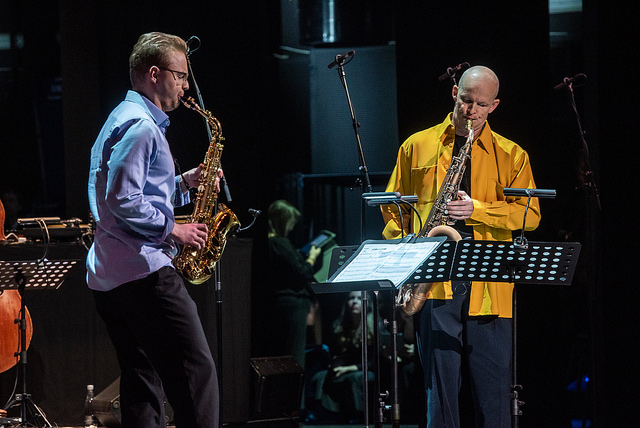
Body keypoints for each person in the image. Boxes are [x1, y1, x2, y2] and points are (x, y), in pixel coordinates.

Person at [381, 65, 541, 427]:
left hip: (490, 282)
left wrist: (477, 210)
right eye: (466, 100)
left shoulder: (512, 153)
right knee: (439, 394)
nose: (472, 111)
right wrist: (408, 248)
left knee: (495, 396)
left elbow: (530, 215)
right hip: (435, 277)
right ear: (454, 93)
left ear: (494, 105)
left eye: (481, 105)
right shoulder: (416, 145)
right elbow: (392, 210)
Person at [86, 32, 219, 428]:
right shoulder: (142, 127)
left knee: (142, 380)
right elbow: (122, 199)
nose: (186, 86)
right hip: (142, 270)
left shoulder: (120, 117)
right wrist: (174, 231)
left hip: (111, 273)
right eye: (181, 75)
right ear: (155, 74)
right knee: (196, 373)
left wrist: (185, 183)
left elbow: (133, 192)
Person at [264, 199, 321, 368]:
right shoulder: (279, 243)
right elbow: (302, 271)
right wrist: (312, 258)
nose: (291, 228)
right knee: (295, 357)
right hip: (292, 306)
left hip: (284, 304)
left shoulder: (272, 243)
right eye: (290, 223)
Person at [309, 291, 376, 423]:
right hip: (344, 367)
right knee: (321, 376)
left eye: (359, 298)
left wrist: (347, 369)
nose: (355, 302)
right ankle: (325, 414)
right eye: (351, 298)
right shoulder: (341, 326)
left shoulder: (374, 327)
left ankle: (358, 416)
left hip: (364, 369)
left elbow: (374, 361)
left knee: (356, 378)